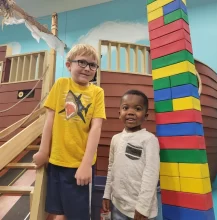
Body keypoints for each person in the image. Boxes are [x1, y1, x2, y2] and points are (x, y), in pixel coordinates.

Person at [33, 44, 106, 220]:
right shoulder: (61, 84)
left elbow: (96, 128)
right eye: (82, 62)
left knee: (78, 214)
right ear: (68, 65)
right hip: (56, 161)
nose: (87, 68)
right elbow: (49, 119)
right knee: (58, 210)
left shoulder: (97, 92)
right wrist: (43, 151)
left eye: (92, 65)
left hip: (79, 165)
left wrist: (86, 164)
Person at [102, 90, 160, 220]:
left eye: (137, 109)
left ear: (146, 116)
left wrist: (142, 208)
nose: (130, 112)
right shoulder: (115, 139)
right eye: (125, 108)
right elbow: (111, 168)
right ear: (119, 113)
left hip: (140, 211)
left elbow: (151, 175)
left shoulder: (149, 140)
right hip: (118, 206)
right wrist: (107, 194)